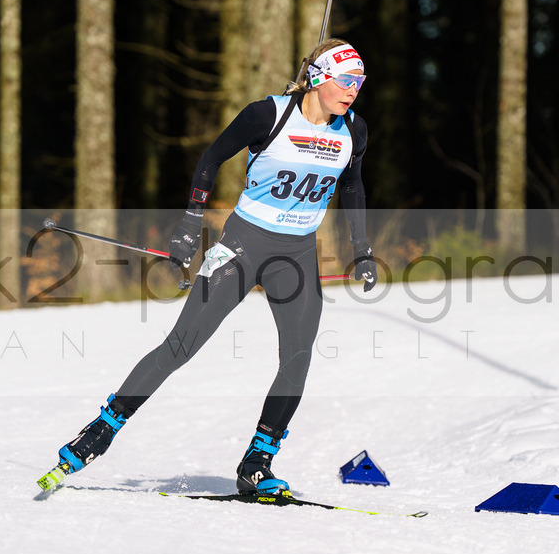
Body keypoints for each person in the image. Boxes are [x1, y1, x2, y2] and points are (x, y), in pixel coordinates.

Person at [46, 39, 377, 496]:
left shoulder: (354, 129)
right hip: (244, 243)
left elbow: (353, 186)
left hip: (296, 254)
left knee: (297, 360)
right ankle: (100, 431)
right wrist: (188, 227)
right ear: (319, 77)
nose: (353, 90)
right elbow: (211, 159)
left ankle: (257, 463)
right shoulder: (269, 115)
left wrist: (361, 248)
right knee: (182, 345)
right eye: (346, 80)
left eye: (359, 82)